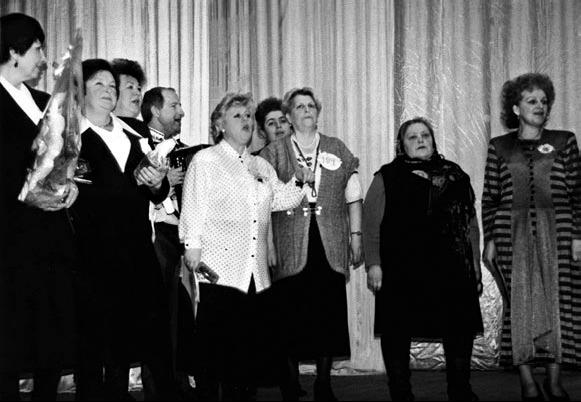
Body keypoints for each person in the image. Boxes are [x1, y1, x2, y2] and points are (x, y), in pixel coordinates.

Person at [179, 92, 313, 401]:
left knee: (247, 357)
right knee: (216, 357)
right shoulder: (206, 160)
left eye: (249, 116)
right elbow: (193, 207)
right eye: (237, 115)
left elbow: (280, 200)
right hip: (219, 272)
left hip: (255, 273)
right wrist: (192, 247)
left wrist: (300, 181)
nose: (246, 121)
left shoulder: (260, 165)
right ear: (220, 125)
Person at [71, 58, 176, 401]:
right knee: (94, 343)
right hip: (91, 256)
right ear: (81, 90)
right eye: (99, 84)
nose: (109, 91)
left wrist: (157, 182)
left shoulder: (136, 133)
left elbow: (157, 191)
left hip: (137, 251)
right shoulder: (70, 137)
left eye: (112, 85)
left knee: (147, 337)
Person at [363, 117, 483, 401]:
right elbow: (370, 223)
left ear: (433, 140)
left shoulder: (456, 175)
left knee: (459, 330)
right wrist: (374, 264)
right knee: (396, 330)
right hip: (402, 270)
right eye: (412, 137)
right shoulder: (387, 176)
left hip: (452, 268)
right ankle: (401, 392)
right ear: (402, 145)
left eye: (425, 135)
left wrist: (475, 266)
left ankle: (460, 390)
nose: (420, 140)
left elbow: (470, 223)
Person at [482, 73, 581, 401]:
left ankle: (554, 381)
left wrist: (578, 236)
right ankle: (527, 382)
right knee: (520, 303)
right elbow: (490, 197)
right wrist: (490, 238)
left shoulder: (565, 141)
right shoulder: (499, 146)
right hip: (511, 234)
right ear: (516, 108)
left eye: (544, 101)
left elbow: (578, 193)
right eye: (531, 101)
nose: (540, 106)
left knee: (559, 302)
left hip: (560, 231)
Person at [260, 87, 363, 401]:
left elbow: (354, 195)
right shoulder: (273, 152)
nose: (306, 110)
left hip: (329, 240)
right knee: (289, 314)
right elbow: (261, 202)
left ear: (317, 112)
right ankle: (290, 384)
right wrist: (268, 244)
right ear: (289, 117)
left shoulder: (336, 147)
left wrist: (356, 236)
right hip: (288, 242)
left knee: (328, 313)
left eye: (311, 106)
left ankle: (324, 383)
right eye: (299, 107)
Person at [0, 13, 78, 401]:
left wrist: (70, 185)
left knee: (51, 334)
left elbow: (63, 160)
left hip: (51, 238)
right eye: (36, 49)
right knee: (9, 336)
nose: (43, 59)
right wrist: (26, 189)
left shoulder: (46, 103)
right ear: (13, 51)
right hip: (10, 239)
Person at [141, 86, 202, 399]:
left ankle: (175, 379)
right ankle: (157, 387)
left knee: (177, 314)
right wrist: (166, 183)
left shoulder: (182, 149)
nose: (181, 112)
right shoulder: (139, 143)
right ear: (155, 111)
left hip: (178, 236)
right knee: (157, 314)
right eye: (174, 106)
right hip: (156, 236)